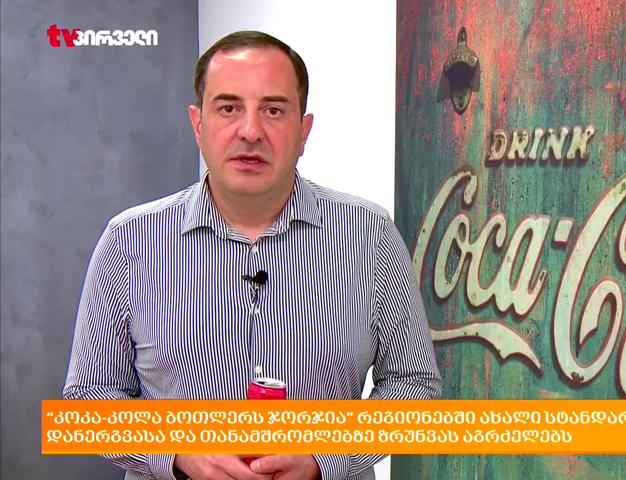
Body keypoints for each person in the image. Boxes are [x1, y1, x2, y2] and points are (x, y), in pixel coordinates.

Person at [63, 30, 442, 480]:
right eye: (228, 108)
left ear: (303, 131)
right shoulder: (129, 241)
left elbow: (415, 386)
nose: (250, 131)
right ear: (198, 125)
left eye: (273, 110)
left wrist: (326, 456)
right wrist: (178, 451)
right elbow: (88, 401)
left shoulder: (370, 234)